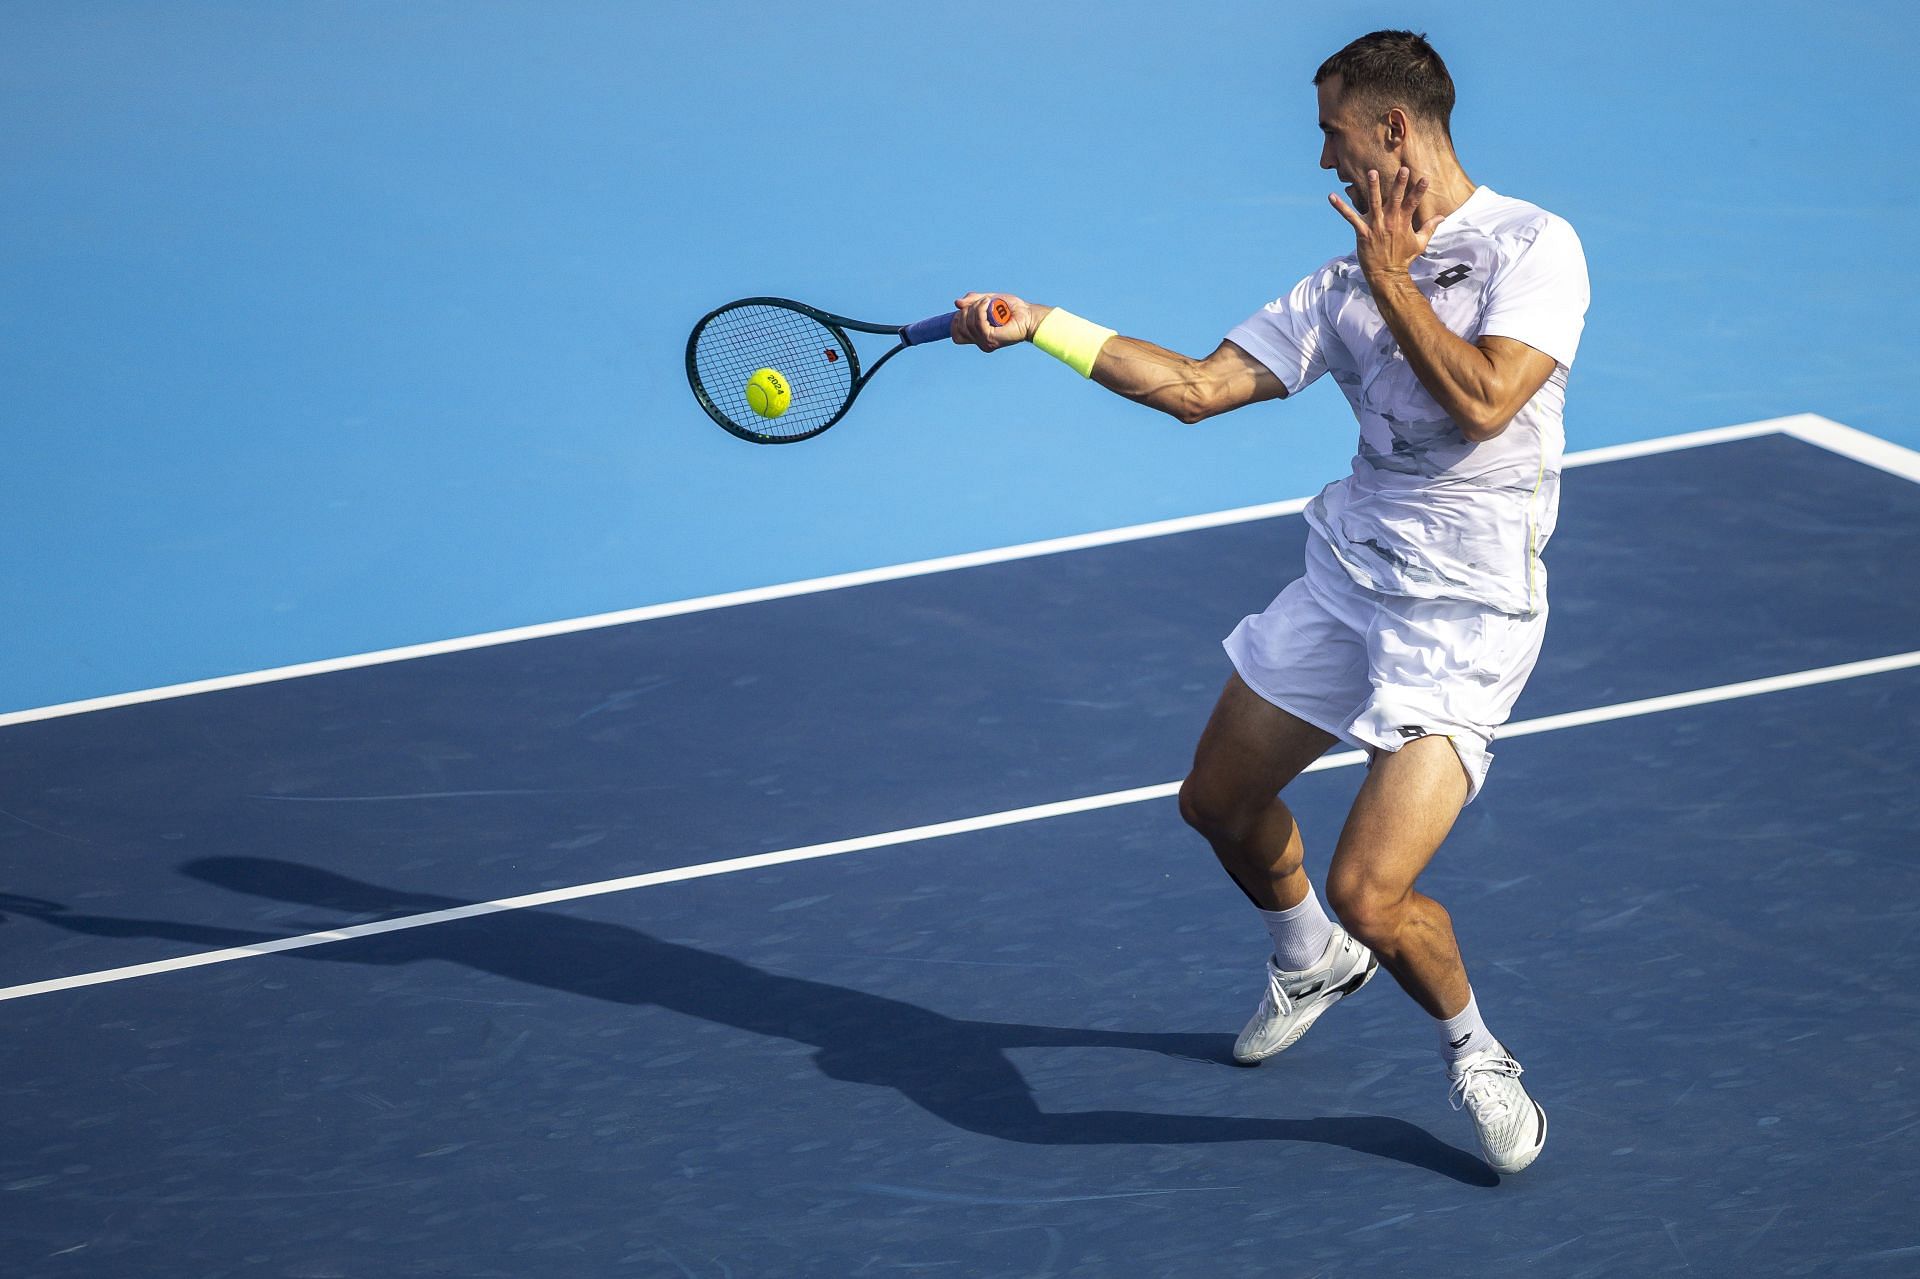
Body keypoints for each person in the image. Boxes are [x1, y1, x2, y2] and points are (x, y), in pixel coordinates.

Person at [948, 28, 1589, 1175]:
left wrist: (1395, 280)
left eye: (1335, 133)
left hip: (1467, 618)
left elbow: (1490, 400)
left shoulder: (1535, 247)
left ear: (1393, 129)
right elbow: (1196, 388)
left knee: (1372, 890)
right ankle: (1307, 958)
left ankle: (1478, 1053)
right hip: (1350, 579)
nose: (1328, 160)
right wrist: (1042, 324)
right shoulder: (1336, 287)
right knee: (1219, 802)